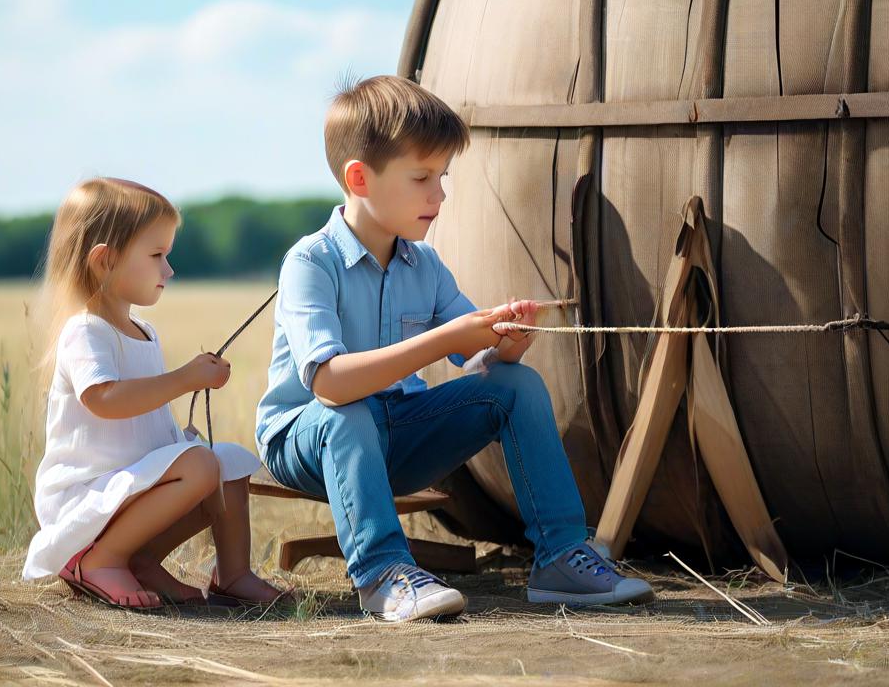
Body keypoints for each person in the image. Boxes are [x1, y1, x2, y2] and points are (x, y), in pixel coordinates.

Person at [256, 76, 654, 622]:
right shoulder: (310, 263)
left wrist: (504, 344)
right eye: (421, 177)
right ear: (359, 178)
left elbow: (476, 360)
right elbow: (329, 384)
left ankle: (560, 557)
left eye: (442, 177)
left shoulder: (426, 266)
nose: (438, 195)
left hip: (398, 433)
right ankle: (383, 575)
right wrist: (444, 339)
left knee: (515, 387)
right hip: (306, 438)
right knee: (345, 413)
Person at [22, 177, 283, 609]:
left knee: (228, 464)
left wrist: (185, 400)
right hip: (88, 492)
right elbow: (103, 399)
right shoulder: (85, 331)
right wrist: (185, 378)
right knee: (200, 465)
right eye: (157, 255)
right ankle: (101, 559)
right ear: (104, 261)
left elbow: (143, 413)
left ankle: (224, 572)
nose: (169, 270)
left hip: (130, 485)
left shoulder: (145, 331)